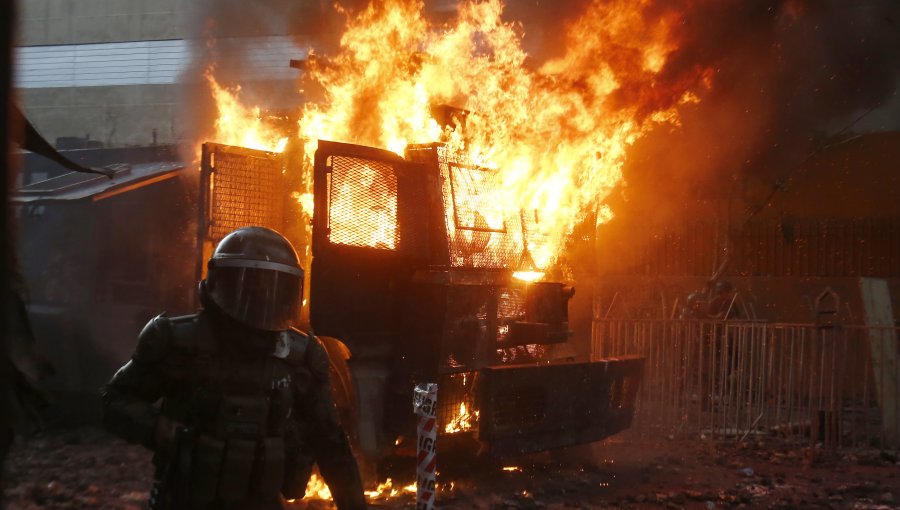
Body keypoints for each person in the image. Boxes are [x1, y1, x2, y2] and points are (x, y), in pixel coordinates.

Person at [101, 226, 366, 510]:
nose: (261, 301)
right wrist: (162, 430)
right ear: (221, 284)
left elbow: (330, 443)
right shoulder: (177, 341)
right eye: (252, 288)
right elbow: (114, 401)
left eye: (272, 289)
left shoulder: (300, 356)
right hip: (186, 499)